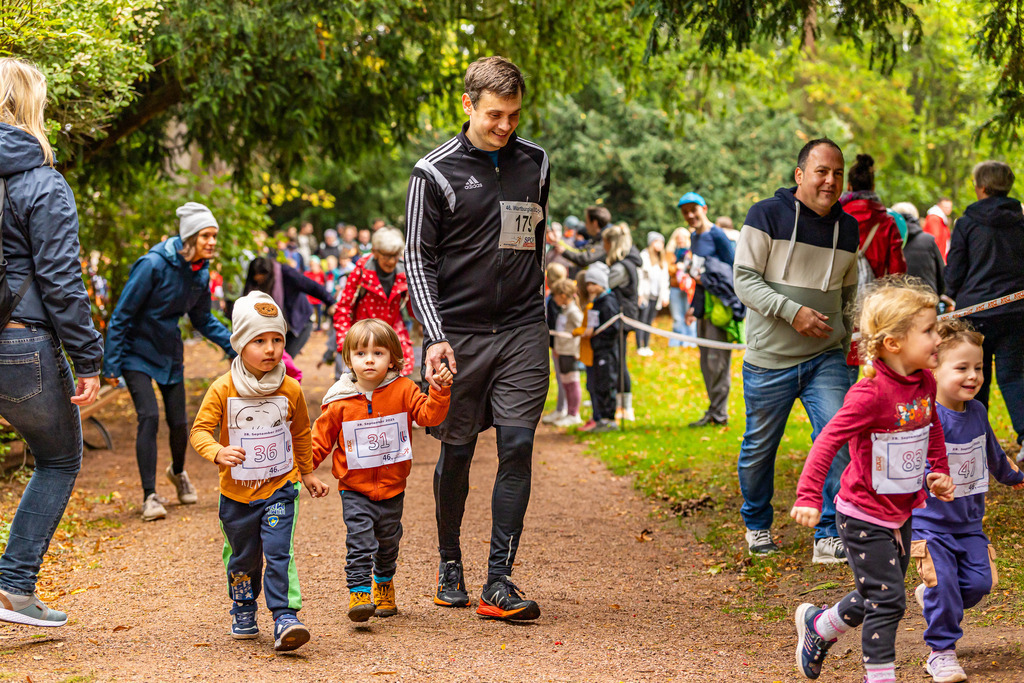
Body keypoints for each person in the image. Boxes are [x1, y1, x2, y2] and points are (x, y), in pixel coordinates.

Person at [404, 55, 550, 620]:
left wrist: (533, 304)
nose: (505, 126)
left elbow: (534, 240)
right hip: (457, 335)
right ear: (466, 105)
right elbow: (418, 258)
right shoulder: (433, 172)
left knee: (516, 445)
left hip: (520, 330)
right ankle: (449, 563)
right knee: (458, 452)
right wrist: (435, 335)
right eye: (494, 115)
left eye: (513, 115)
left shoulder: (535, 163)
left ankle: (499, 581)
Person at [790, 277, 955, 683]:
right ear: (893, 343)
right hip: (862, 514)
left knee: (877, 592)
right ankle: (880, 677)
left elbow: (931, 426)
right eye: (929, 330)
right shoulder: (870, 394)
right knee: (888, 600)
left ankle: (820, 628)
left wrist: (939, 469)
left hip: (900, 511)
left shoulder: (924, 382)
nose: (938, 337)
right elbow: (828, 439)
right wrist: (810, 495)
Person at [0, 58, 104, 627]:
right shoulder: (42, 182)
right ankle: (13, 585)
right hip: (21, 347)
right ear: (27, 107)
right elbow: (61, 279)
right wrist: (87, 357)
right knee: (59, 458)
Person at [733, 138, 859, 563]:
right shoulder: (765, 215)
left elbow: (848, 292)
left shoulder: (849, 227)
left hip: (826, 357)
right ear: (800, 175)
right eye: (822, 171)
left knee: (839, 434)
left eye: (838, 173)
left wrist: (848, 339)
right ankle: (756, 523)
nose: (830, 181)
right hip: (770, 359)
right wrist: (792, 312)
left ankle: (829, 532)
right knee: (759, 448)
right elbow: (745, 279)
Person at [189, 292, 330, 651]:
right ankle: (243, 605)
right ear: (238, 344)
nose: (270, 349)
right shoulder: (223, 388)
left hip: (280, 487)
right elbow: (200, 432)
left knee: (280, 551)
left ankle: (285, 616)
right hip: (236, 495)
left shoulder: (290, 388)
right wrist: (218, 451)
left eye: (277, 339)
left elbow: (300, 432)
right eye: (259, 341)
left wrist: (308, 472)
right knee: (243, 557)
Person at [311, 319, 452, 622]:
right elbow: (320, 440)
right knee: (359, 540)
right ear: (348, 359)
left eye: (378, 352)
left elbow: (428, 416)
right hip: (354, 487)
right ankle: (359, 592)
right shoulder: (339, 400)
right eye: (361, 354)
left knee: (388, 541)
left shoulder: (404, 389)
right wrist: (303, 470)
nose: (370, 360)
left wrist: (439, 390)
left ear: (393, 358)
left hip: (392, 486)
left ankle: (384, 584)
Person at [103, 202, 235, 521]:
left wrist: (237, 345)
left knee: (179, 422)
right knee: (148, 416)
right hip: (136, 351)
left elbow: (202, 319)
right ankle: (150, 495)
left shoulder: (199, 270)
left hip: (169, 352)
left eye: (214, 235)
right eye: (206, 235)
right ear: (190, 236)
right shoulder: (152, 265)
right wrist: (111, 364)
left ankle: (178, 472)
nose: (212, 241)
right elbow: (121, 315)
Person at [911, 319, 1024, 683]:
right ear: (934, 369)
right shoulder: (924, 416)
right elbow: (904, 466)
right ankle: (941, 653)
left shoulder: (976, 411)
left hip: (970, 523)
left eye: (978, 367)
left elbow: (992, 453)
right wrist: (927, 478)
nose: (973, 376)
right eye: (962, 368)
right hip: (930, 524)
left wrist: (1015, 477)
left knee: (979, 584)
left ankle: (934, 600)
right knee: (943, 584)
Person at [945, 160, 1024, 448]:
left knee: (974, 376)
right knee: (1014, 374)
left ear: (981, 188)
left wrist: (949, 292)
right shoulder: (1021, 222)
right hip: (1015, 312)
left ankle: (974, 440)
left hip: (974, 313)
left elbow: (954, 271)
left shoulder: (966, 224)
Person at [840, 154, 907, 386]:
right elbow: (898, 271)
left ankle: (844, 417)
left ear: (848, 186)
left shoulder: (835, 219)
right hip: (875, 313)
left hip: (840, 309)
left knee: (845, 375)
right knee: (879, 373)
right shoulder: (886, 222)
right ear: (873, 186)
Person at [679, 192, 736, 428]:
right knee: (706, 363)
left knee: (718, 362)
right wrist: (694, 307)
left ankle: (720, 414)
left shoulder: (717, 235)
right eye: (686, 213)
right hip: (704, 308)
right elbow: (699, 274)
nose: (691, 215)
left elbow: (733, 270)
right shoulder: (694, 237)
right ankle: (713, 410)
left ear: (705, 208)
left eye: (694, 210)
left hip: (720, 308)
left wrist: (708, 280)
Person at [333, 227, 414, 377]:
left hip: (393, 336)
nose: (391, 261)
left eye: (395, 255)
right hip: (363, 336)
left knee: (399, 382)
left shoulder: (404, 271)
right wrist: (345, 343)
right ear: (375, 252)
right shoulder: (362, 271)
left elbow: (413, 308)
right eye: (386, 256)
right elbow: (343, 308)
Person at [243, 255, 334, 357]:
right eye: (256, 278)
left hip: (299, 324)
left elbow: (311, 286)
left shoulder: (285, 273)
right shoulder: (254, 284)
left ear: (268, 273)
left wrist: (331, 302)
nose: (258, 280)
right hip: (277, 329)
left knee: (282, 361)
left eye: (261, 277)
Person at [603, 224, 641, 420]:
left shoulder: (621, 268)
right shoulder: (626, 264)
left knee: (619, 363)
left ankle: (626, 408)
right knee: (617, 360)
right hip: (620, 319)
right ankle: (621, 405)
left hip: (621, 319)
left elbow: (603, 285)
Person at [579, 264, 620, 432]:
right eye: (588, 284)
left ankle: (609, 419)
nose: (589, 287)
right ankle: (600, 418)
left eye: (593, 283)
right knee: (597, 383)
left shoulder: (608, 302)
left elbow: (613, 327)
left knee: (606, 383)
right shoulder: (595, 302)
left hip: (607, 351)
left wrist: (596, 333)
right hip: (596, 349)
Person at [891, 202, 945, 298]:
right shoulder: (928, 241)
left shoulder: (888, 242)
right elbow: (942, 278)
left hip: (897, 305)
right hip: (927, 303)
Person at [550, 278, 584, 427]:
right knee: (566, 383)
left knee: (572, 382)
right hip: (562, 351)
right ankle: (569, 412)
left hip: (570, 352)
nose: (553, 298)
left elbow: (582, 330)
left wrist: (577, 351)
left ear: (563, 295)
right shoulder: (564, 310)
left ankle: (574, 413)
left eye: (555, 295)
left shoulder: (573, 312)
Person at [541, 262, 570, 424]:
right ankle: (561, 408)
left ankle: (564, 409)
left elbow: (555, 323)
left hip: (561, 343)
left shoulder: (555, 300)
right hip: (560, 342)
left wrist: (553, 344)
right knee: (562, 377)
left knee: (564, 377)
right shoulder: (559, 296)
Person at [636, 231, 670, 356]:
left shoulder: (662, 260)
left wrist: (665, 296)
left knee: (649, 321)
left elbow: (665, 280)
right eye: (657, 242)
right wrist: (639, 294)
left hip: (656, 295)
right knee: (642, 321)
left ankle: (646, 345)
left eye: (662, 242)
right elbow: (639, 277)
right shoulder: (644, 257)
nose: (660, 245)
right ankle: (639, 346)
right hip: (645, 295)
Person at [666, 227, 696, 347]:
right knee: (677, 315)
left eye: (683, 238)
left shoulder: (691, 251)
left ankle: (691, 341)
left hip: (689, 287)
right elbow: (667, 268)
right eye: (678, 238)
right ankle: (677, 340)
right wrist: (676, 268)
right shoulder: (671, 252)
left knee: (690, 313)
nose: (681, 240)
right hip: (675, 287)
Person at [924, 197, 954, 262]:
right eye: (945, 207)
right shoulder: (934, 219)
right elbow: (934, 239)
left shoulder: (941, 220)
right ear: (939, 206)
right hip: (935, 258)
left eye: (949, 207)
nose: (948, 209)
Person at [304, 256, 327, 331]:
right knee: (310, 313)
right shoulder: (307, 274)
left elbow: (324, 285)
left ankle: (318, 327)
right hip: (310, 298)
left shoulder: (322, 274)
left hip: (318, 298)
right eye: (311, 265)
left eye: (314, 265)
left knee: (319, 313)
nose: (312, 267)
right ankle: (310, 328)